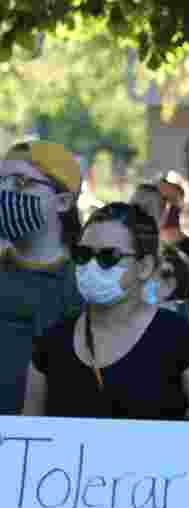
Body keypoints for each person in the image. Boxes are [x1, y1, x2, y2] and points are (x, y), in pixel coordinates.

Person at [22, 202, 189, 446]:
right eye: (83, 254)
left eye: (109, 256)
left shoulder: (182, 342)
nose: (91, 265)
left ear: (145, 266)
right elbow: (27, 439)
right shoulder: (52, 343)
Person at [0, 139, 84, 414]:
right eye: (1, 181)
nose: (5, 191)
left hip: (56, 443)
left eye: (21, 182)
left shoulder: (87, 282)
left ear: (63, 201)